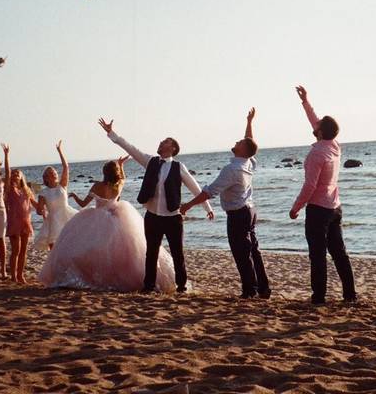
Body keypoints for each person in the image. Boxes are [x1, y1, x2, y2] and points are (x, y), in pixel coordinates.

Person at [98, 118, 214, 293]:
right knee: (151, 253)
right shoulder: (150, 161)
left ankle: (181, 286)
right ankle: (149, 286)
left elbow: (194, 187)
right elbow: (130, 148)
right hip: (152, 216)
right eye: (161, 141)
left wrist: (208, 208)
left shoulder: (178, 166)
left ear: (173, 148)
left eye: (165, 142)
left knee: (177, 253)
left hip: (173, 217)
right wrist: (111, 133)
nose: (161, 143)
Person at [38, 156, 177, 291]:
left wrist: (74, 196)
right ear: (115, 173)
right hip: (117, 216)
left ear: (104, 173)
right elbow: (123, 178)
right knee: (123, 250)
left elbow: (83, 204)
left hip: (97, 218)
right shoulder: (119, 185)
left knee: (95, 248)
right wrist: (121, 166)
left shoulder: (97, 186)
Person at [181, 108, 271, 299]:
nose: (236, 142)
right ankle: (263, 288)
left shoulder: (232, 169)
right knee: (253, 250)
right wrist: (249, 122)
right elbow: (249, 142)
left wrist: (188, 205)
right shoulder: (248, 162)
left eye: (238, 143)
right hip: (250, 211)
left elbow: (209, 192)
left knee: (242, 253)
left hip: (239, 214)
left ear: (242, 150)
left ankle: (250, 290)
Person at [288, 86, 357, 305]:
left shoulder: (317, 153)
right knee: (339, 252)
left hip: (319, 209)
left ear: (320, 131)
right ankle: (350, 295)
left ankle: (318, 297)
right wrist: (305, 101)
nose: (314, 124)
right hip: (335, 207)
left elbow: (310, 186)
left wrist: (296, 207)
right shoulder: (334, 145)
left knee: (317, 255)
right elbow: (315, 121)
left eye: (317, 125)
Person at [34, 140, 79, 252]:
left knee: (70, 246)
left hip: (67, 216)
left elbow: (66, 167)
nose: (53, 173)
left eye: (54, 171)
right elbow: (39, 211)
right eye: (50, 173)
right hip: (54, 220)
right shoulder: (43, 192)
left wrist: (60, 151)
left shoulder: (62, 185)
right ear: (46, 178)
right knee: (54, 249)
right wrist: (40, 210)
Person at [4, 144, 38, 284]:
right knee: (16, 250)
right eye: (14, 173)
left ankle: (20, 275)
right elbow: (6, 172)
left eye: (18, 173)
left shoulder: (26, 190)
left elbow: (35, 204)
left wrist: (44, 210)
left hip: (26, 222)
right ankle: (13, 275)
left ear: (22, 176)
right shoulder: (9, 188)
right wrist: (6, 156)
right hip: (14, 222)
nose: (15, 175)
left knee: (23, 251)